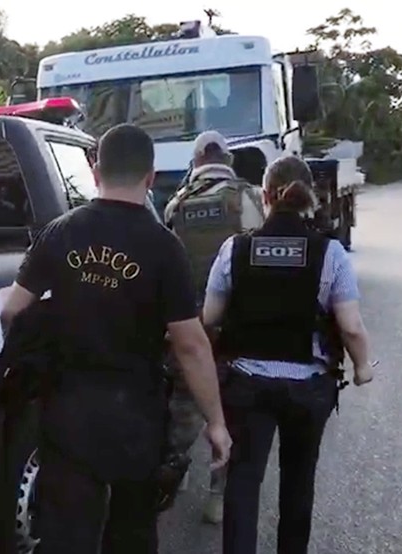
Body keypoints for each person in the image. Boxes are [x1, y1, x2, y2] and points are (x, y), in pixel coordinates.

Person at [0, 124, 232, 554]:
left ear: (95, 171)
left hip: (68, 411)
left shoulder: (59, 232)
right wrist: (216, 422)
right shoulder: (165, 247)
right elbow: (191, 345)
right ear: (150, 177)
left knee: (66, 536)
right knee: (132, 535)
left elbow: (12, 309)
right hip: (135, 417)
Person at [200, 155, 375, 554]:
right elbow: (350, 326)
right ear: (310, 197)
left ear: (265, 195)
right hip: (308, 389)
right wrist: (363, 365)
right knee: (298, 481)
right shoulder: (330, 253)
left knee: (243, 481)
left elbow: (208, 316)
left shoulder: (235, 249)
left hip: (246, 385)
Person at [161, 130, 264, 525]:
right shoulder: (249, 200)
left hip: (189, 325)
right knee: (231, 413)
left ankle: (174, 472)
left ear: (196, 159)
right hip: (237, 328)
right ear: (227, 159)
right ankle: (218, 497)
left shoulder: (177, 205)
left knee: (184, 409)